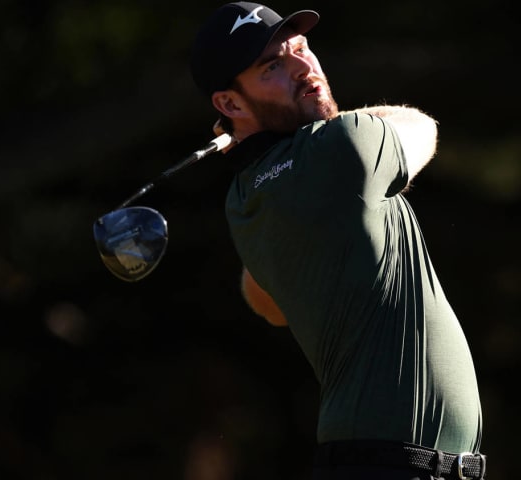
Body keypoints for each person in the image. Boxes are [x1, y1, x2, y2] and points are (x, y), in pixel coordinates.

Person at [189, 3, 486, 479]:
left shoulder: (245, 202)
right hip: (392, 466)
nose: (305, 70)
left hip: (374, 461)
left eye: (301, 49)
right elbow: (421, 128)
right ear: (230, 104)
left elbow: (265, 302)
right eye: (274, 67)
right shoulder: (341, 147)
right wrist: (335, 131)